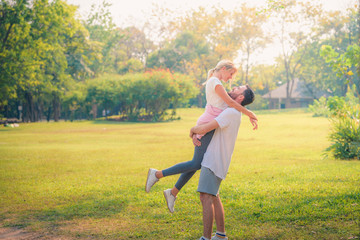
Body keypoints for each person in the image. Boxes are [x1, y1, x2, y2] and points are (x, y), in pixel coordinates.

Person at [145, 60, 257, 212]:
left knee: (196, 163)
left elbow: (230, 104)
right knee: (196, 163)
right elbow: (231, 102)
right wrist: (250, 113)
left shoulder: (217, 82)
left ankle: (172, 193)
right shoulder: (215, 82)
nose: (231, 79)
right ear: (223, 69)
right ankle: (157, 174)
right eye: (230, 74)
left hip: (209, 124)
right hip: (207, 125)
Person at [189, 85, 255, 240]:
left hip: (214, 160)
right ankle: (220, 235)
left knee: (206, 197)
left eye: (238, 88)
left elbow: (206, 127)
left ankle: (206, 238)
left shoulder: (231, 113)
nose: (233, 87)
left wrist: (192, 129)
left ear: (240, 97)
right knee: (213, 196)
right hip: (217, 159)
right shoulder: (233, 111)